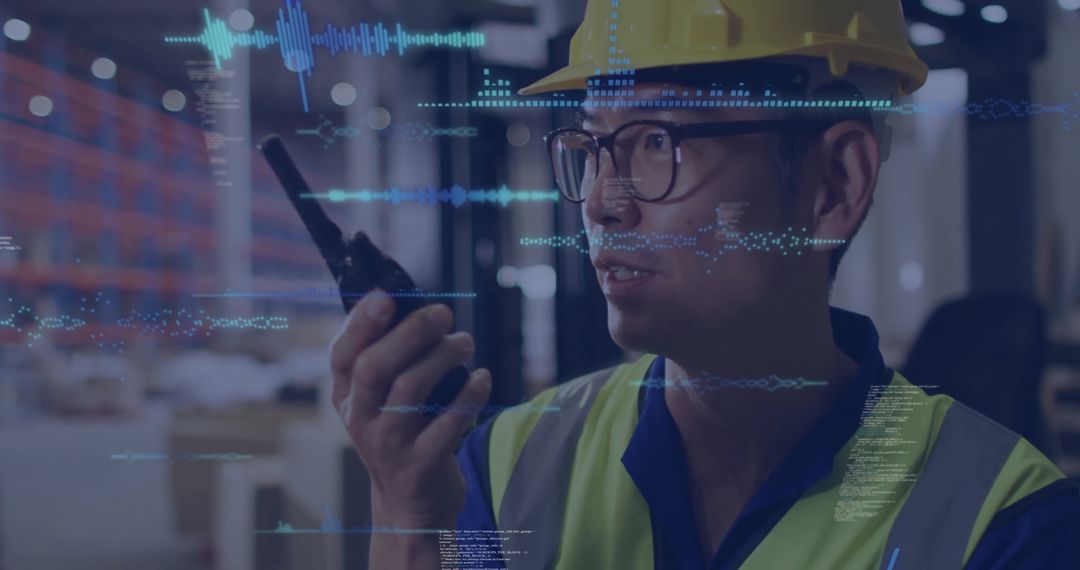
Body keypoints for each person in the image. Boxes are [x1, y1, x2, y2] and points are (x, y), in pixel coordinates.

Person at [329, 0, 1080, 567]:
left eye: (658, 140)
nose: (601, 200)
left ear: (833, 184)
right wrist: (407, 517)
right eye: (592, 145)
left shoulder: (1002, 523)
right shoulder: (501, 469)